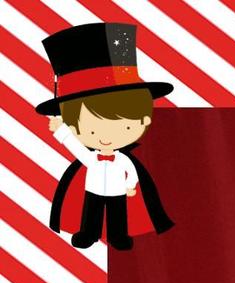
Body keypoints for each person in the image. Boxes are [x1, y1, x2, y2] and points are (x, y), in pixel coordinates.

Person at [38, 23, 174, 249]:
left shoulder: (122, 160)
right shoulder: (91, 158)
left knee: (117, 214)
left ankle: (118, 236)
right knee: (91, 212)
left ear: (144, 120)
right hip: (93, 189)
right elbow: (77, 148)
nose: (106, 136)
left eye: (124, 127)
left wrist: (130, 185)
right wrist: (61, 131)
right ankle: (88, 233)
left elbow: (131, 172)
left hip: (117, 192)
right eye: (91, 130)